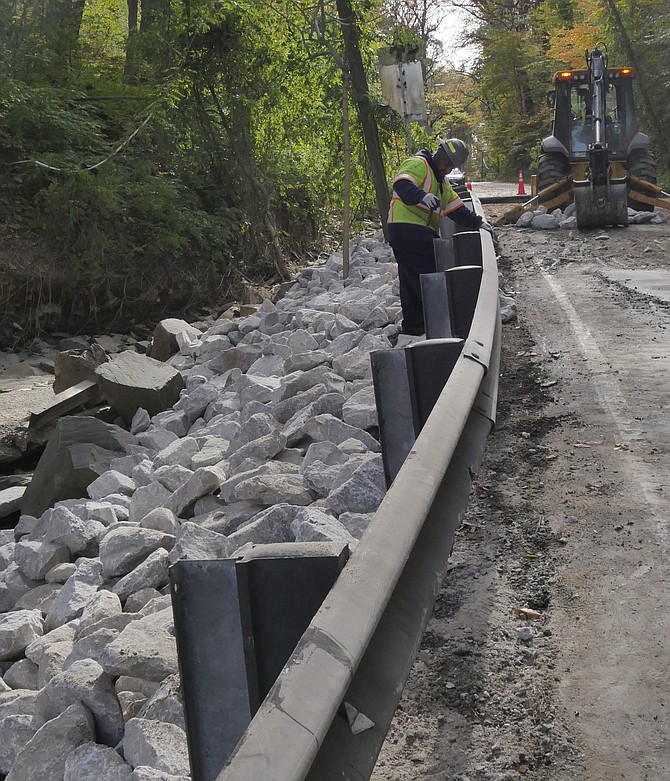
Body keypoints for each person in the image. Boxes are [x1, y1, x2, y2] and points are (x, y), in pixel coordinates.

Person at [387, 138, 493, 336]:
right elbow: (401, 185)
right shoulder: (418, 164)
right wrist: (421, 196)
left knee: (413, 278)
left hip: (415, 232)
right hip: (406, 229)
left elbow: (456, 209)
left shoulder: (442, 184)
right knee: (427, 274)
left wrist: (478, 223)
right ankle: (426, 323)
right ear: (439, 157)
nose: (448, 169)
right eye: (447, 164)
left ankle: (416, 324)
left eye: (451, 166)